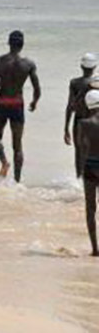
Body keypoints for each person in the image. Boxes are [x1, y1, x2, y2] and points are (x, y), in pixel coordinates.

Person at [0, 31, 41, 182]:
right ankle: (17, 181)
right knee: (17, 146)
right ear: (22, 45)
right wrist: (34, 102)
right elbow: (37, 89)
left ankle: (4, 162)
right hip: (17, 104)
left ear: (9, 43)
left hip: (1, 103)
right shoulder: (28, 64)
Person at [65, 53, 97, 178]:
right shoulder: (96, 83)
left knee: (79, 152)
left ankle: (79, 179)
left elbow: (70, 106)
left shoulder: (74, 83)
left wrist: (66, 128)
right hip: (94, 120)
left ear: (81, 66)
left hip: (78, 121)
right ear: (94, 67)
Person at [79, 90, 99, 256]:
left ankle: (95, 249)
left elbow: (82, 147)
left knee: (90, 208)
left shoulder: (84, 123)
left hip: (90, 166)